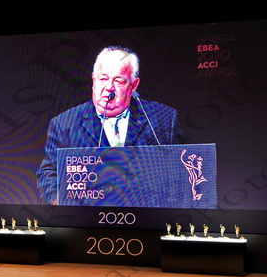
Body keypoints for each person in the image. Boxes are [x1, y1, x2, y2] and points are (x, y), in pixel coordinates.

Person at [36, 45, 184, 204]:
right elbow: (48, 173)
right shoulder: (65, 124)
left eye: (118, 80)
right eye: (103, 79)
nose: (109, 88)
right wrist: (62, 205)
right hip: (87, 215)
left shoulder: (163, 119)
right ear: (93, 79)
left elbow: (181, 170)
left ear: (134, 85)